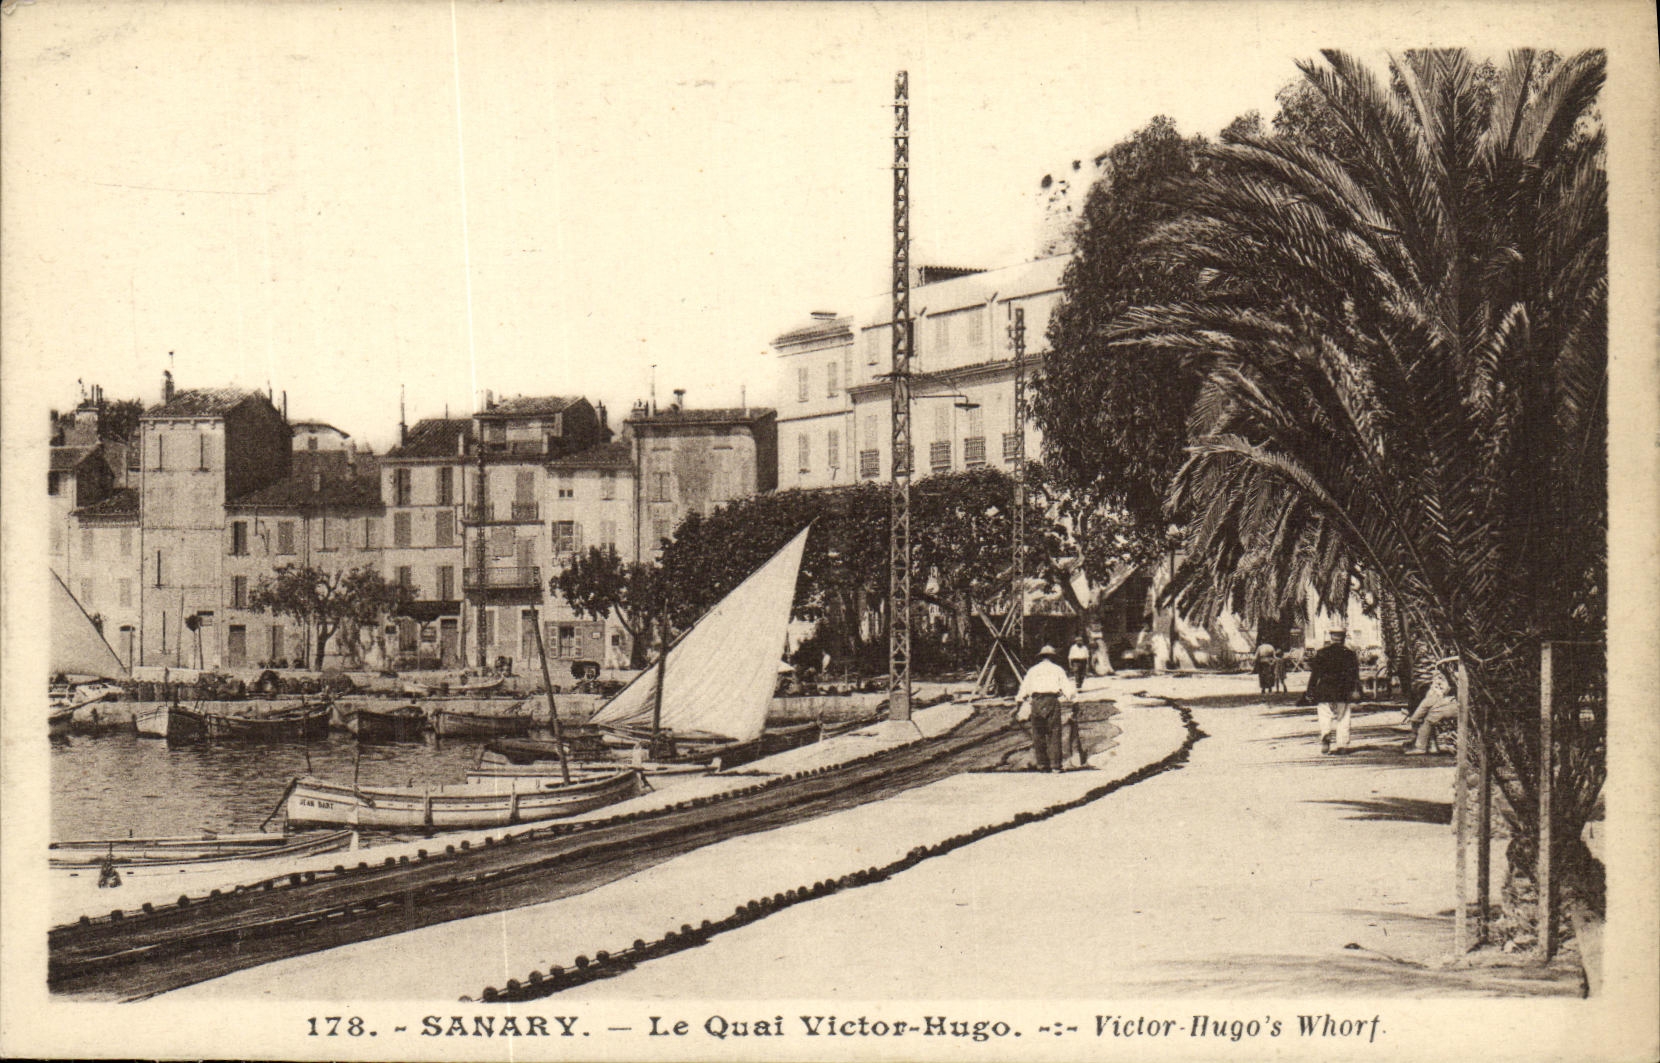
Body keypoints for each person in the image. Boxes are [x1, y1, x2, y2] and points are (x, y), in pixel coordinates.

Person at [1016, 644, 1076, 772]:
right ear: (1053, 657)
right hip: (1051, 701)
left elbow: (1024, 689)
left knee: (1038, 734)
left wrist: (1019, 703)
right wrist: (1074, 700)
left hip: (1036, 702)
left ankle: (1042, 765)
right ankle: (1055, 766)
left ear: (1041, 657)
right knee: (1054, 733)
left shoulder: (1032, 670)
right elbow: (1067, 688)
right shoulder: (1058, 669)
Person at [1305, 626, 1361, 754]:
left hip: (1324, 689)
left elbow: (1315, 674)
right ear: (1344, 637)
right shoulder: (1350, 654)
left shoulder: (1321, 653)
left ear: (1331, 637)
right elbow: (1354, 675)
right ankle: (1342, 745)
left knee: (1324, 715)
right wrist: (1357, 689)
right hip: (1343, 690)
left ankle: (1325, 734)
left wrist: (1310, 690)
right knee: (1343, 718)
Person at [1403, 656, 1460, 754]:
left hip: (1460, 704)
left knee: (1431, 713)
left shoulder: (1460, 672)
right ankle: (1429, 744)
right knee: (1430, 705)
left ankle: (1420, 745)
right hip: (1456, 701)